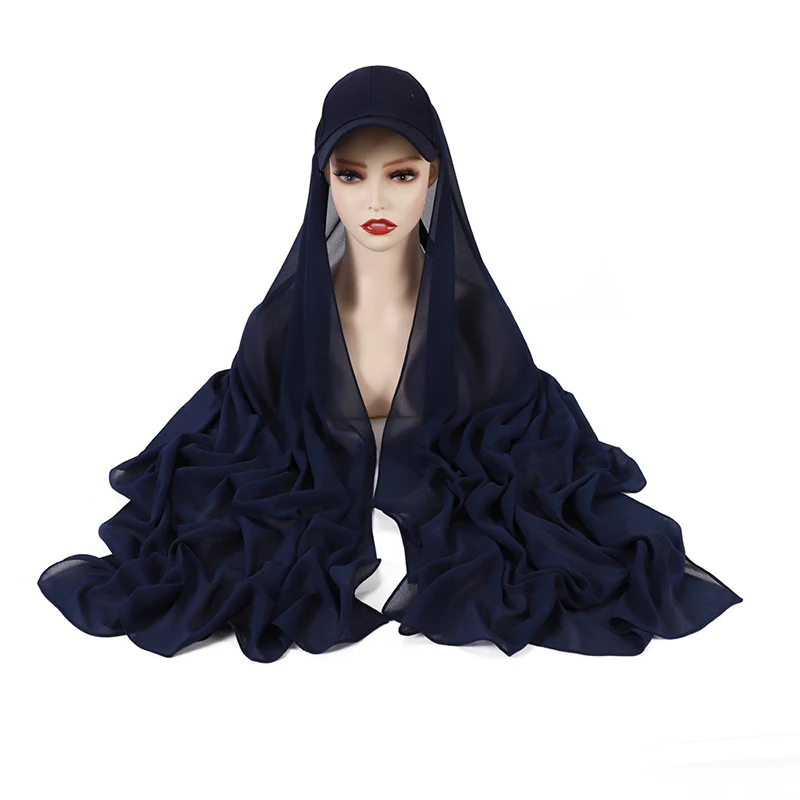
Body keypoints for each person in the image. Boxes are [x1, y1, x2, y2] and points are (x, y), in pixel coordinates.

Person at [37, 65, 743, 662]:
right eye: (351, 174)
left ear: (433, 177)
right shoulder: (280, 333)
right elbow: (239, 448)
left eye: (401, 174)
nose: (375, 200)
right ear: (325, 179)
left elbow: (526, 441)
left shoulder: (476, 327)